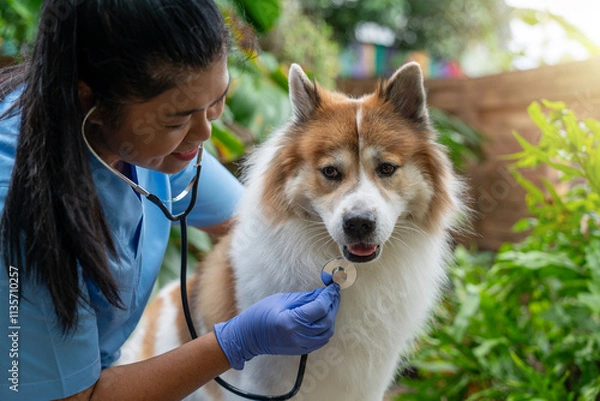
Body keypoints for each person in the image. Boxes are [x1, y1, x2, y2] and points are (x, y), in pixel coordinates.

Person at [0, 1, 341, 400]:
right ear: (89, 102)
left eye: (216, 103)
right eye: (177, 120)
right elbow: (74, 397)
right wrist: (235, 342)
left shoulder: (154, 145)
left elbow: (251, 223)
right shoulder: (19, 212)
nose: (204, 134)